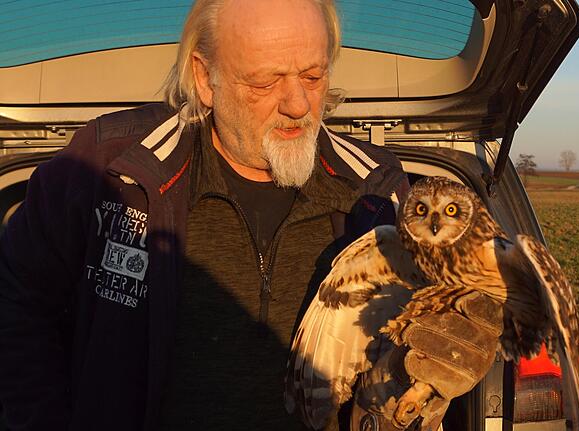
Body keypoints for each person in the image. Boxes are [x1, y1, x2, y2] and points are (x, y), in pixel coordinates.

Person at [0, 1, 500, 430]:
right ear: (205, 78)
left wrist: (415, 390)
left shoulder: (376, 192)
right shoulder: (107, 172)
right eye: (265, 82)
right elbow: (16, 307)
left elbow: (388, 372)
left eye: (313, 75)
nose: (299, 104)